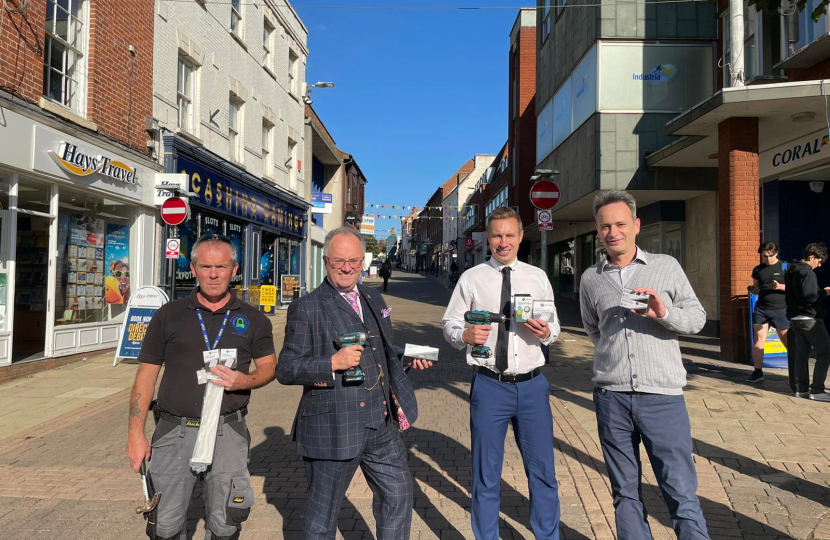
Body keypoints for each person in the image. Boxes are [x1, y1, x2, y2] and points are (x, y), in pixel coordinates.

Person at [277, 227, 433, 540]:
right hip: (333, 428)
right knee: (323, 516)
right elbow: (286, 369)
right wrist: (330, 364)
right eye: (339, 262)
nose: (347, 268)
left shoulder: (373, 297)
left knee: (399, 497)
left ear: (362, 262)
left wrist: (406, 358)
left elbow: (380, 350)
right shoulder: (306, 307)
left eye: (353, 261)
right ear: (325, 261)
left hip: (381, 424)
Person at [125, 234, 277, 540]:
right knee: (164, 525)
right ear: (193, 269)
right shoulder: (168, 315)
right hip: (174, 432)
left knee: (225, 522)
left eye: (221, 266)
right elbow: (146, 376)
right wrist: (135, 435)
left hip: (228, 433)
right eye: (205, 266)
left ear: (234, 270)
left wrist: (244, 381)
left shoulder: (254, 320)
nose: (213, 274)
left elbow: (269, 368)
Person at [579, 190, 710, 540]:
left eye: (620, 223)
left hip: (662, 398)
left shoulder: (666, 267)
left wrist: (663, 313)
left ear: (636, 225)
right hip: (612, 397)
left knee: (680, 491)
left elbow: (697, 319)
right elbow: (595, 330)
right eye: (605, 226)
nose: (613, 232)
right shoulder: (591, 277)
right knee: (624, 492)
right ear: (597, 230)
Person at [442, 207, 562, 540]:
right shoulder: (472, 278)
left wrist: (544, 332)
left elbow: (555, 327)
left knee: (543, 474)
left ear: (521, 237)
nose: (503, 242)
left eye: (510, 235)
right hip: (489, 386)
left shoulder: (536, 277)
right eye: (497, 235)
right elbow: (450, 323)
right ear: (488, 239)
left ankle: (547, 536)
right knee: (486, 475)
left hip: (533, 387)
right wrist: (463, 335)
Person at [785, 242, 830, 402]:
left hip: (795, 319)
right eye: (818, 261)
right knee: (825, 352)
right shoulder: (808, 273)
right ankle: (817, 390)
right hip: (810, 319)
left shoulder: (790, 270)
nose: (819, 265)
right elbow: (810, 296)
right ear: (811, 256)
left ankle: (801, 389)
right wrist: (825, 292)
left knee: (801, 355)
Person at [747, 242, 789, 383]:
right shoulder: (758, 270)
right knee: (759, 339)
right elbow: (755, 287)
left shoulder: (785, 267)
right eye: (765, 256)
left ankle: (796, 369)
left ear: (776, 253)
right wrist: (754, 290)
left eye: (771, 256)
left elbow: (795, 288)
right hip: (761, 309)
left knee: (787, 340)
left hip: (780, 309)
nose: (768, 259)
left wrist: (779, 286)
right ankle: (757, 371)